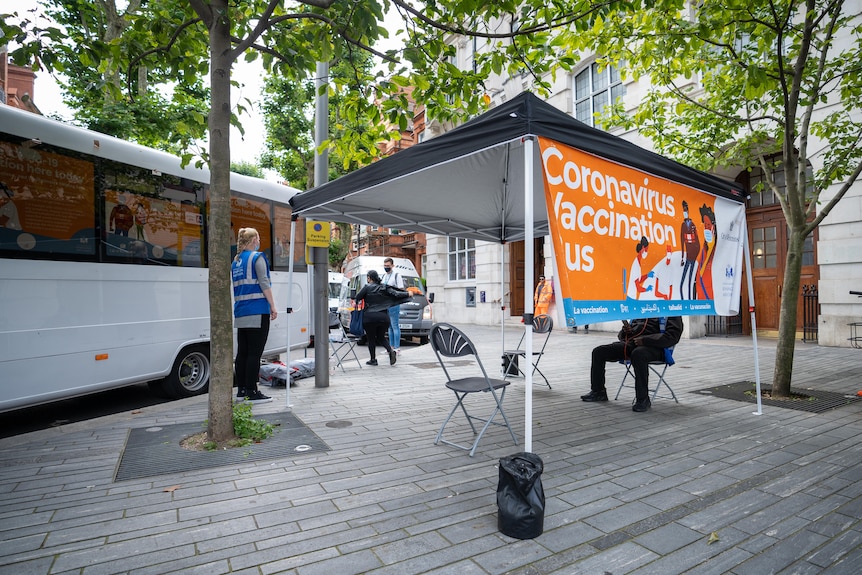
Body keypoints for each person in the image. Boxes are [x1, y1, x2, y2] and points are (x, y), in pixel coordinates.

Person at [581, 316, 683, 412]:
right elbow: (622, 337)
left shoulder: (670, 310)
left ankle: (643, 399)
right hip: (632, 345)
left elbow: (672, 336)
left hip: (656, 348)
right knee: (599, 352)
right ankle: (598, 392)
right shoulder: (639, 310)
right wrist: (625, 332)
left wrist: (645, 340)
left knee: (638, 354)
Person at [232, 227, 277, 402]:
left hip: (241, 312)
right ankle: (252, 391)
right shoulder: (257, 258)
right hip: (258, 310)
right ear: (253, 240)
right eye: (258, 239)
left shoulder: (236, 261)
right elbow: (264, 283)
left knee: (242, 353)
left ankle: (242, 390)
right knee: (254, 354)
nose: (259, 242)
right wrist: (273, 306)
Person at [354, 269, 404, 366]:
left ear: (369, 278)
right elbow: (396, 294)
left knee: (371, 338)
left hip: (370, 317)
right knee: (381, 337)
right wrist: (408, 294)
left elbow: (358, 297)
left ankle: (373, 360)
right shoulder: (384, 287)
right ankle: (390, 350)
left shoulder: (367, 287)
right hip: (384, 317)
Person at [381, 257, 405, 354]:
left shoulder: (396, 276)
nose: (386, 267)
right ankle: (390, 347)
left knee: (394, 325)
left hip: (394, 303)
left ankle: (397, 347)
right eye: (385, 266)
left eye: (388, 266)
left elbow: (400, 289)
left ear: (392, 266)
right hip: (386, 303)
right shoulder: (384, 276)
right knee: (389, 326)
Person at [679, 201, 700, 300]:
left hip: (693, 256)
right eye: (683, 210)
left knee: (690, 282)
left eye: (686, 210)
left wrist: (696, 255)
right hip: (687, 257)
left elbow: (698, 242)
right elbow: (682, 241)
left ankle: (689, 301)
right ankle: (683, 301)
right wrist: (682, 257)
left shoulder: (693, 225)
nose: (685, 212)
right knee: (682, 281)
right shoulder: (683, 225)